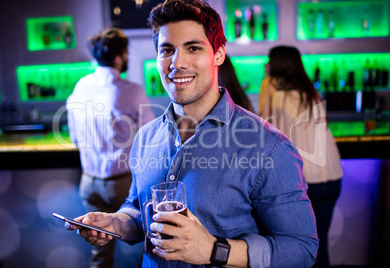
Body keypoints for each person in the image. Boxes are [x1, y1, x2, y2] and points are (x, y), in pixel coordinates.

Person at [67, 1, 318, 267]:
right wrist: (116, 222)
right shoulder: (145, 137)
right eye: (167, 50)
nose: (177, 62)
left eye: (193, 48)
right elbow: (138, 210)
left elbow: (301, 249)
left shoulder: (269, 146)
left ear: (219, 54)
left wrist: (213, 249)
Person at [66, 27, 155, 268]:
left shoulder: (79, 88)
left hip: (89, 183)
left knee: (99, 251)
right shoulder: (131, 90)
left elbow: (74, 138)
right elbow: (151, 138)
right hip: (122, 184)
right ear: (119, 57)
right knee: (150, 243)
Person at [258, 45, 343, 268]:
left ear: (278, 63)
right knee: (318, 244)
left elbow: (262, 127)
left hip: (303, 178)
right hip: (332, 175)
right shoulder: (309, 89)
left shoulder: (270, 84)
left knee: (299, 249)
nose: (265, 64)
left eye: (269, 60)